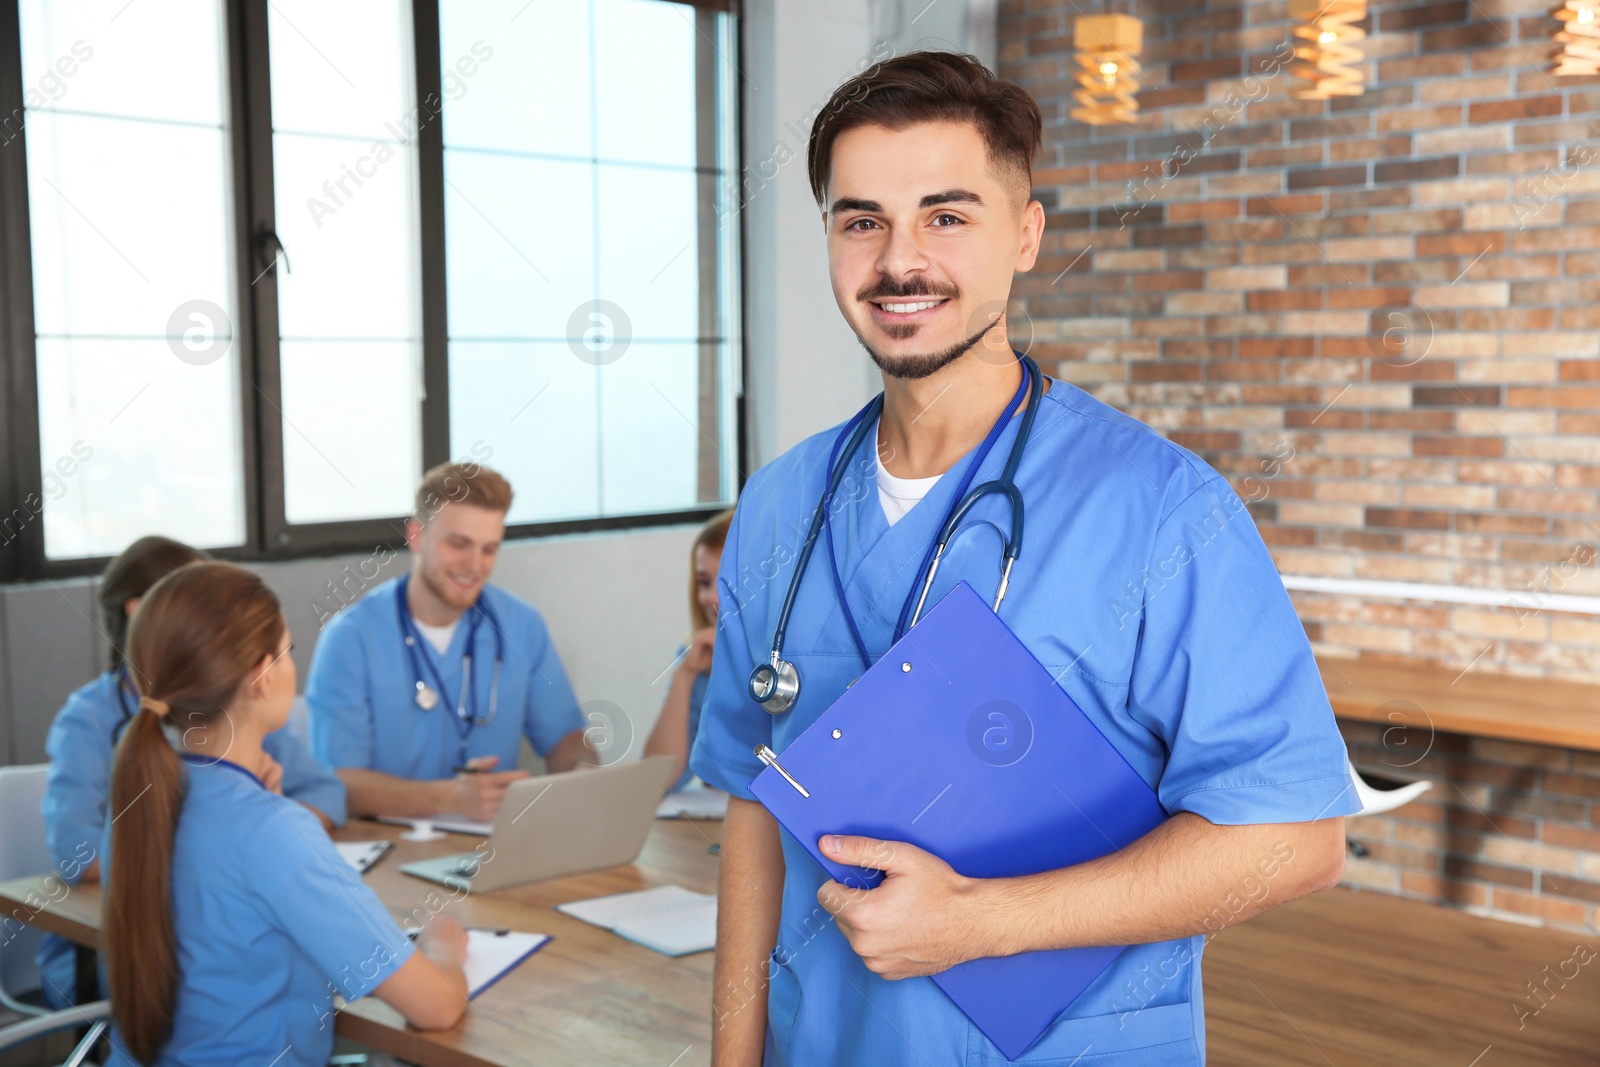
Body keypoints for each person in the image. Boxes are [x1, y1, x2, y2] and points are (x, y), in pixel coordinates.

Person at [689, 52, 1358, 1066]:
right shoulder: (782, 501)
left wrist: (984, 920)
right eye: (861, 219)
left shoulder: (1160, 509)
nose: (898, 259)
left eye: (946, 216)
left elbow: (1296, 841)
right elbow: (749, 793)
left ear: (1026, 236)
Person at [102, 561, 467, 1065]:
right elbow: (438, 1007)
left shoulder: (139, 802)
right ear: (260, 676)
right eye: (287, 651)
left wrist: (258, 799)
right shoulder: (273, 831)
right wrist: (444, 948)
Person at [37, 535, 346, 1009]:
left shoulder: (238, 703)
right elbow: (79, 857)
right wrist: (227, 835)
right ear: (140, 610)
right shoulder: (90, 719)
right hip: (115, 953)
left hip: (231, 931)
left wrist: (267, 826)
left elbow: (326, 793)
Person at [307, 461, 590, 822]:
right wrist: (449, 798)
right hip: (388, 846)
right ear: (416, 536)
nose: (474, 565)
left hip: (490, 847)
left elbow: (567, 741)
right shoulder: (350, 638)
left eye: (489, 549)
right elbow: (337, 784)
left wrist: (585, 777)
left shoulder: (522, 625)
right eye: (459, 544)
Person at [645, 509, 733, 792]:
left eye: (727, 579)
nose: (713, 598)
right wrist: (685, 676)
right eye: (704, 582)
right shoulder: (698, 658)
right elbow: (656, 782)